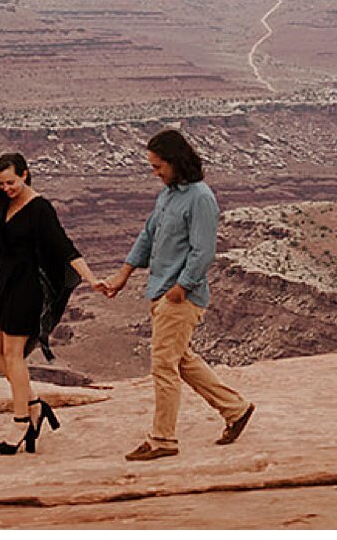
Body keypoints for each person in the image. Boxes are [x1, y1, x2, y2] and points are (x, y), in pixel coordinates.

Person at [0, 151, 111, 456]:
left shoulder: (40, 208)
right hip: (1, 286)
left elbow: (65, 247)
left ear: (26, 174)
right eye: (1, 184)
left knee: (13, 355)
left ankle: (21, 423)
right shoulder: (3, 203)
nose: (6, 188)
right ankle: (34, 405)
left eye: (11, 182)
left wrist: (92, 279)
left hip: (26, 288)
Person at [99, 127, 255, 462]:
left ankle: (163, 440)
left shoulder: (201, 198)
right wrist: (123, 275)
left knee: (163, 366)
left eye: (158, 166)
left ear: (175, 161)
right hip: (161, 290)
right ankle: (236, 409)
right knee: (182, 360)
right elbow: (148, 235)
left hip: (179, 297)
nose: (155, 173)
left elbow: (203, 251)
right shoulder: (168, 195)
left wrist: (180, 288)